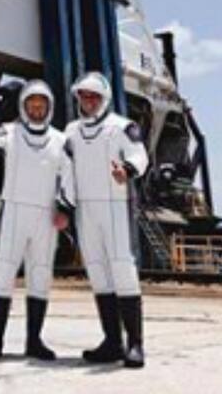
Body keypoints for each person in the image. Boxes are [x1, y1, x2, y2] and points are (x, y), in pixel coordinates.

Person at [0, 80, 76, 362]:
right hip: (15, 210)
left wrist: (65, 209)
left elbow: (68, 177)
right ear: (24, 106)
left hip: (46, 215)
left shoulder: (60, 140)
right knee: (3, 275)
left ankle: (34, 341)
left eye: (41, 105)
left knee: (40, 277)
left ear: (49, 108)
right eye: (31, 104)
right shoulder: (10, 131)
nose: (36, 109)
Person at [64, 71, 150, 369]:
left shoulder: (122, 127)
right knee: (98, 272)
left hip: (114, 205)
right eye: (83, 96)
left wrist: (126, 169)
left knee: (122, 268)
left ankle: (135, 344)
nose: (88, 101)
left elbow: (140, 155)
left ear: (104, 99)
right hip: (85, 208)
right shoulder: (72, 132)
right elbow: (63, 165)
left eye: (93, 97)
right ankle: (112, 342)